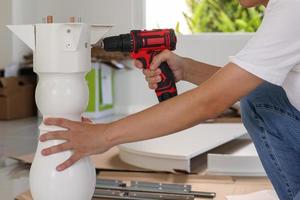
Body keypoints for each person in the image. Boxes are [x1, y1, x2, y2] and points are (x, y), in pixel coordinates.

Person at [39, 0, 300, 199]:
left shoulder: (291, 9)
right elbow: (251, 82)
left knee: (254, 97)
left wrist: (104, 136)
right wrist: (186, 69)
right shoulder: (282, 9)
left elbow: (210, 102)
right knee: (259, 95)